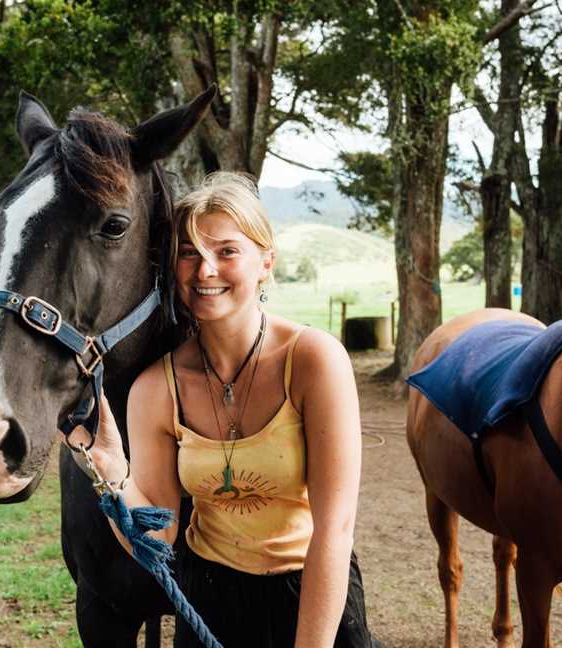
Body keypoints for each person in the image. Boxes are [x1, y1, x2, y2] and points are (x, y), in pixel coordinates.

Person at [84, 172, 379, 647]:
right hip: (211, 598)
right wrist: (112, 468)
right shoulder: (156, 387)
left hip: (312, 592)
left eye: (226, 252)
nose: (204, 271)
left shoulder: (314, 361)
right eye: (188, 254)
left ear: (266, 262)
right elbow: (157, 540)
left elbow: (335, 528)